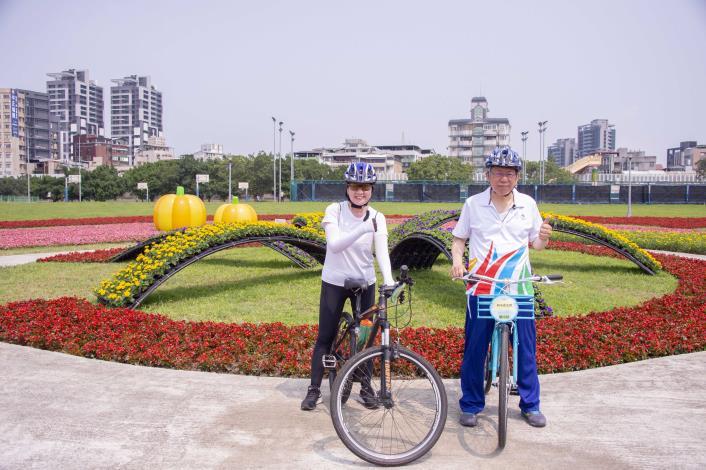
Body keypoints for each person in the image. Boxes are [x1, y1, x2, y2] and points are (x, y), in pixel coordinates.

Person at [450, 146, 553, 428]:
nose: (503, 179)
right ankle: (471, 404)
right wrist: (458, 263)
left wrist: (544, 236)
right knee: (475, 348)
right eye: (498, 173)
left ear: (517, 177)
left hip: (519, 287)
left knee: (526, 349)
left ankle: (530, 405)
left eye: (509, 174)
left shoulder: (528, 205)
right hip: (482, 286)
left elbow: (537, 245)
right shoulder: (473, 204)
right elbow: (459, 239)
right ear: (488, 175)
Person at [301, 162, 396, 411]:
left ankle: (365, 387)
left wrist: (388, 279)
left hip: (365, 282)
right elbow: (334, 245)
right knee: (326, 336)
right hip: (335, 281)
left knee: (366, 339)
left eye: (365, 187)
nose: (360, 192)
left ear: (372, 190)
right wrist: (363, 227)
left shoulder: (378, 217)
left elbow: (382, 252)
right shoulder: (335, 211)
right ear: (347, 188)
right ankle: (314, 389)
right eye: (355, 186)